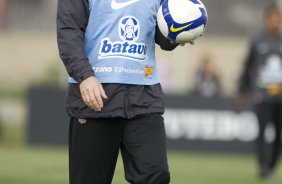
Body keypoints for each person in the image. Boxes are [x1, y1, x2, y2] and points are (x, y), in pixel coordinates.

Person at [57, 0, 185, 183]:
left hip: (144, 95)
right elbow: (68, 31)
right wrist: (84, 76)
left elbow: (161, 30)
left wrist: (180, 30)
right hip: (95, 96)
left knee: (155, 175)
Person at [238, 4, 282, 179]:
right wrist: (242, 90)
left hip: (280, 97)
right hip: (261, 95)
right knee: (262, 132)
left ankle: (271, 165)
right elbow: (248, 67)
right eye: (271, 18)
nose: (274, 21)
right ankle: (263, 166)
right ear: (266, 19)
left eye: (277, 18)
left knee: (278, 134)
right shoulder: (257, 41)